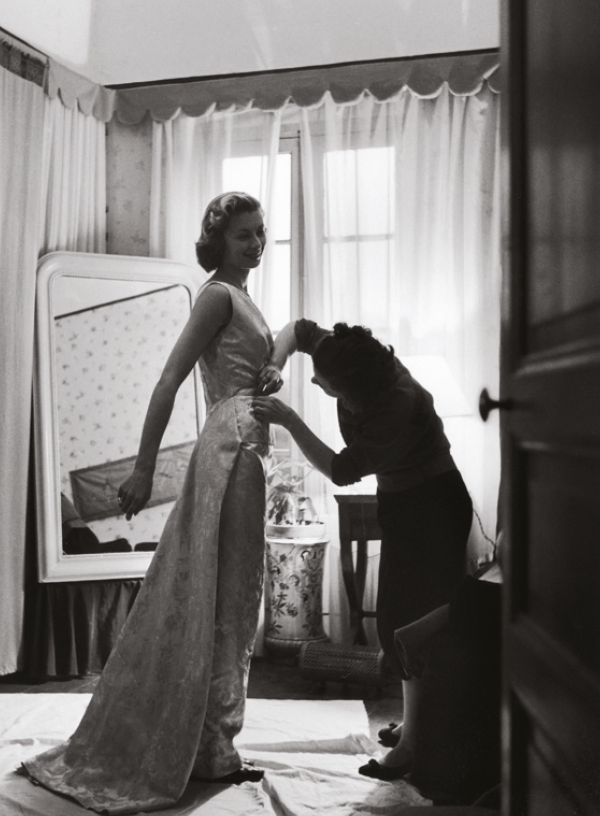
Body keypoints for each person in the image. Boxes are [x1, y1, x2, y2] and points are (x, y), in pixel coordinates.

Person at [21, 192, 283, 814]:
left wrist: (270, 373)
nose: (255, 243)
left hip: (248, 448)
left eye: (259, 232)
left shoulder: (244, 297)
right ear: (218, 242)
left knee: (234, 598)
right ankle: (211, 748)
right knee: (229, 599)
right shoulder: (217, 295)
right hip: (231, 450)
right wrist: (143, 467)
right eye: (242, 235)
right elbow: (169, 379)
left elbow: (250, 363)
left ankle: (212, 743)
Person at [251, 320, 473, 780]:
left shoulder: (396, 406)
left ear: (357, 390)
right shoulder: (346, 354)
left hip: (431, 507)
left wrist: (290, 420)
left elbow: (339, 469)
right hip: (405, 502)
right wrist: (276, 363)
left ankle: (413, 745)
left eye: (325, 385)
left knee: (410, 622)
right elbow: (297, 331)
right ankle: (417, 723)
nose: (317, 383)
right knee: (400, 617)